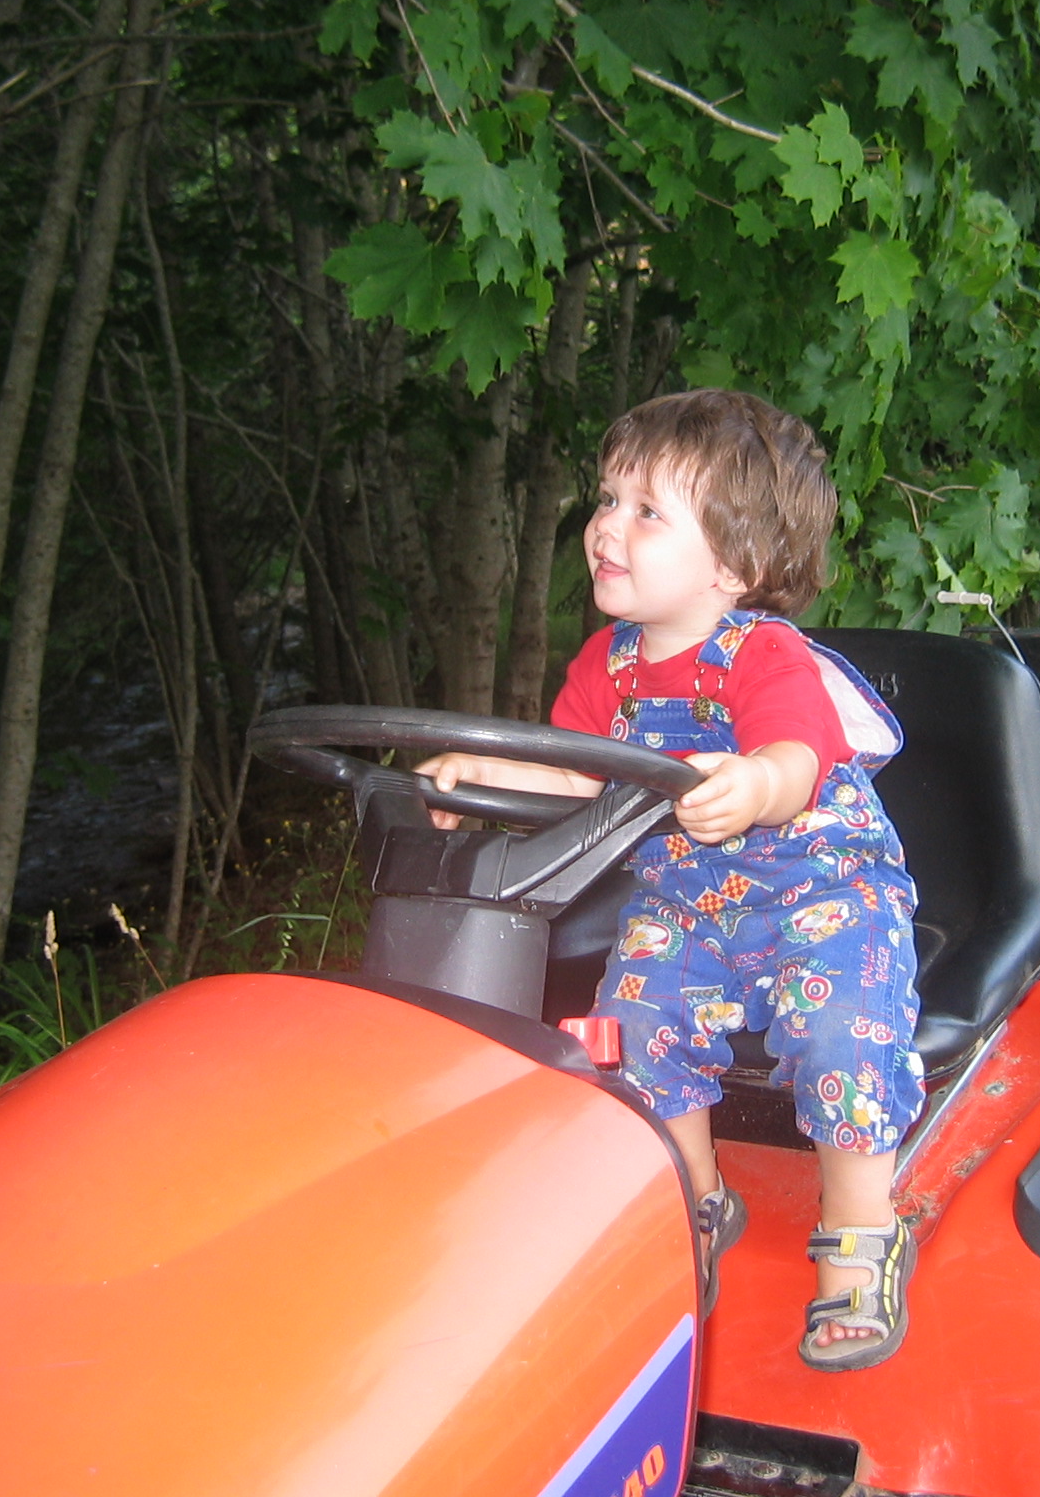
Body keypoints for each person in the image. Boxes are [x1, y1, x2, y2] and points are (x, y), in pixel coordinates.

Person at [418, 389, 925, 1373]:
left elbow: (796, 760)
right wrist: (483, 771)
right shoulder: (605, 667)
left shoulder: (764, 654)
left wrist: (756, 784)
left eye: (648, 511)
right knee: (628, 1033)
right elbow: (574, 775)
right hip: (688, 906)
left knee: (843, 1037)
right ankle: (696, 1200)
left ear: (734, 565)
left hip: (823, 895)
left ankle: (863, 1231)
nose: (607, 526)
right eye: (609, 499)